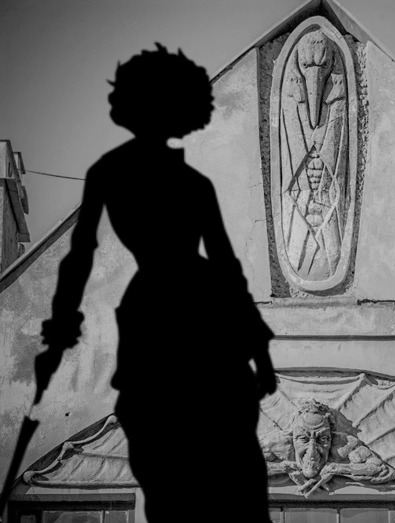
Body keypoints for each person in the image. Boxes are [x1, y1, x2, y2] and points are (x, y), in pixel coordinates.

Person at [38, 43, 276, 522]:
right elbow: (225, 271)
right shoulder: (186, 183)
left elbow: (82, 257)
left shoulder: (117, 173)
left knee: (190, 460)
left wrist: (60, 329)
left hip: (165, 310)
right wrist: (260, 353)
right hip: (189, 309)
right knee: (202, 461)